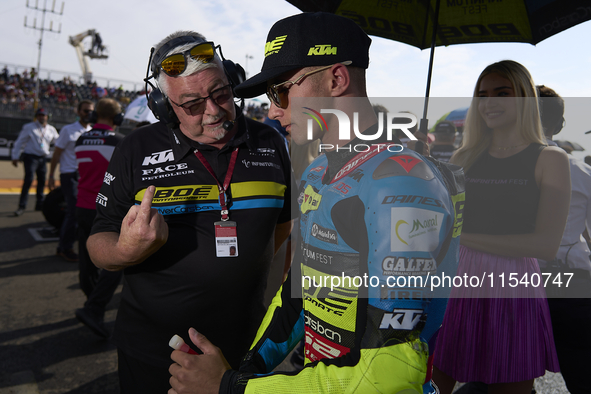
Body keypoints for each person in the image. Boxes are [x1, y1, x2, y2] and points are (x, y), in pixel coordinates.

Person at [168, 12, 464, 394]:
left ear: (336, 79)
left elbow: (390, 374)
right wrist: (243, 370)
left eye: (281, 90)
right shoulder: (318, 171)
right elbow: (296, 299)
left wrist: (232, 388)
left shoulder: (403, 183)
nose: (273, 110)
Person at [86, 31, 294, 393]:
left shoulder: (271, 142)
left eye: (221, 94)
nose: (213, 111)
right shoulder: (136, 149)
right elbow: (97, 241)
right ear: (165, 107)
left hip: (247, 349)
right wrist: (123, 251)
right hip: (154, 353)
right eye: (193, 104)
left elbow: (283, 228)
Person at [432, 61, 570, 394]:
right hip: (453, 281)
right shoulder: (463, 157)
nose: (488, 102)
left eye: (501, 93)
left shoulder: (551, 158)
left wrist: (462, 238)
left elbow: (545, 245)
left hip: (513, 286)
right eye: (482, 94)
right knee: (431, 383)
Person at [536, 85, 591, 394]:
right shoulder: (582, 172)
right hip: (573, 283)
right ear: (559, 125)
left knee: (499, 376)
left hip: (515, 284)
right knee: (583, 375)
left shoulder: (496, 170)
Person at [74, 98, 125, 338]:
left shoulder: (81, 139)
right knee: (115, 262)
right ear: (117, 119)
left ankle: (92, 303)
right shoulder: (119, 142)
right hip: (107, 210)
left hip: (81, 206)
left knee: (86, 260)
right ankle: (94, 308)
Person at [48, 100, 94, 262]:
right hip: (69, 174)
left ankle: (68, 245)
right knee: (74, 211)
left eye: (91, 111)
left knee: (81, 211)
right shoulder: (68, 130)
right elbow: (56, 154)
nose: (88, 114)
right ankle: (65, 247)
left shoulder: (92, 131)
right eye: (85, 111)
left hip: (85, 175)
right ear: (78, 111)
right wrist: (51, 175)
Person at [11, 108, 59, 216]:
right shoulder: (29, 127)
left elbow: (59, 142)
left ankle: (39, 205)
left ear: (47, 116)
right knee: (28, 180)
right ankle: (21, 206)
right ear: (37, 116)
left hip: (42, 158)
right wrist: (15, 156)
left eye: (44, 115)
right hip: (30, 157)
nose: (42, 117)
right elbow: (19, 142)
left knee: (42, 181)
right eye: (39, 115)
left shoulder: (51, 129)